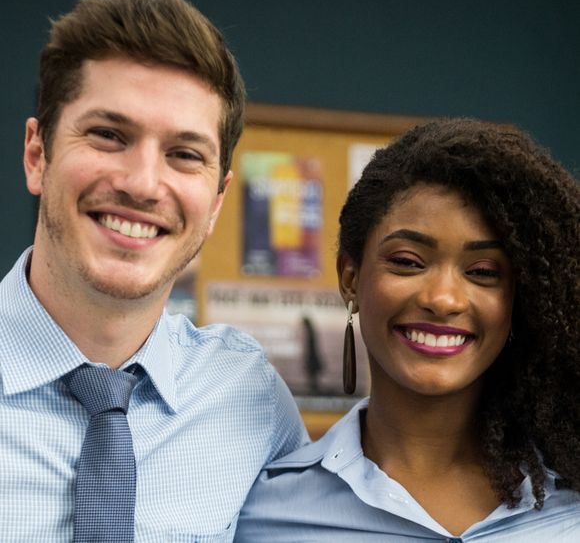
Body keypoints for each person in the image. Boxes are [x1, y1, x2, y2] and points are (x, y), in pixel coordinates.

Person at [0, 0, 307, 541]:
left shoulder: (248, 397)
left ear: (216, 201)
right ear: (37, 155)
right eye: (109, 135)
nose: (142, 184)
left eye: (184, 154)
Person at [235, 118, 580, 541]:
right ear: (350, 278)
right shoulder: (265, 515)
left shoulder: (572, 499)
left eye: (483, 271)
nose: (443, 298)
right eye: (407, 261)